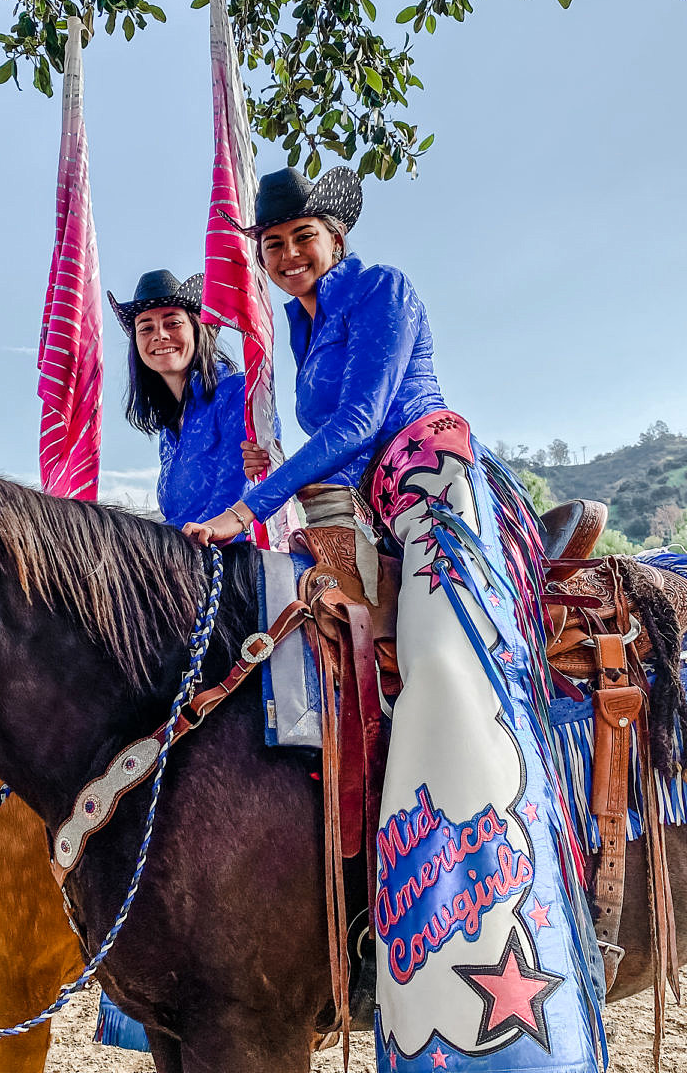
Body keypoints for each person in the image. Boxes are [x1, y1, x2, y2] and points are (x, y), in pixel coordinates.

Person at [185, 167, 606, 1073]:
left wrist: (249, 504)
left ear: (335, 236)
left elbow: (366, 419)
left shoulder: (382, 289)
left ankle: (505, 897)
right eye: (274, 244)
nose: (289, 254)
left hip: (432, 482)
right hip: (374, 506)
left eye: (303, 236)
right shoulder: (296, 325)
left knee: (443, 673)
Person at [107, 269, 248, 532]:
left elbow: (235, 498)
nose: (159, 335)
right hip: (184, 558)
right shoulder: (168, 428)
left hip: (236, 558)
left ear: (197, 329)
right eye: (146, 328)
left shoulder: (236, 393)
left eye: (173, 323)